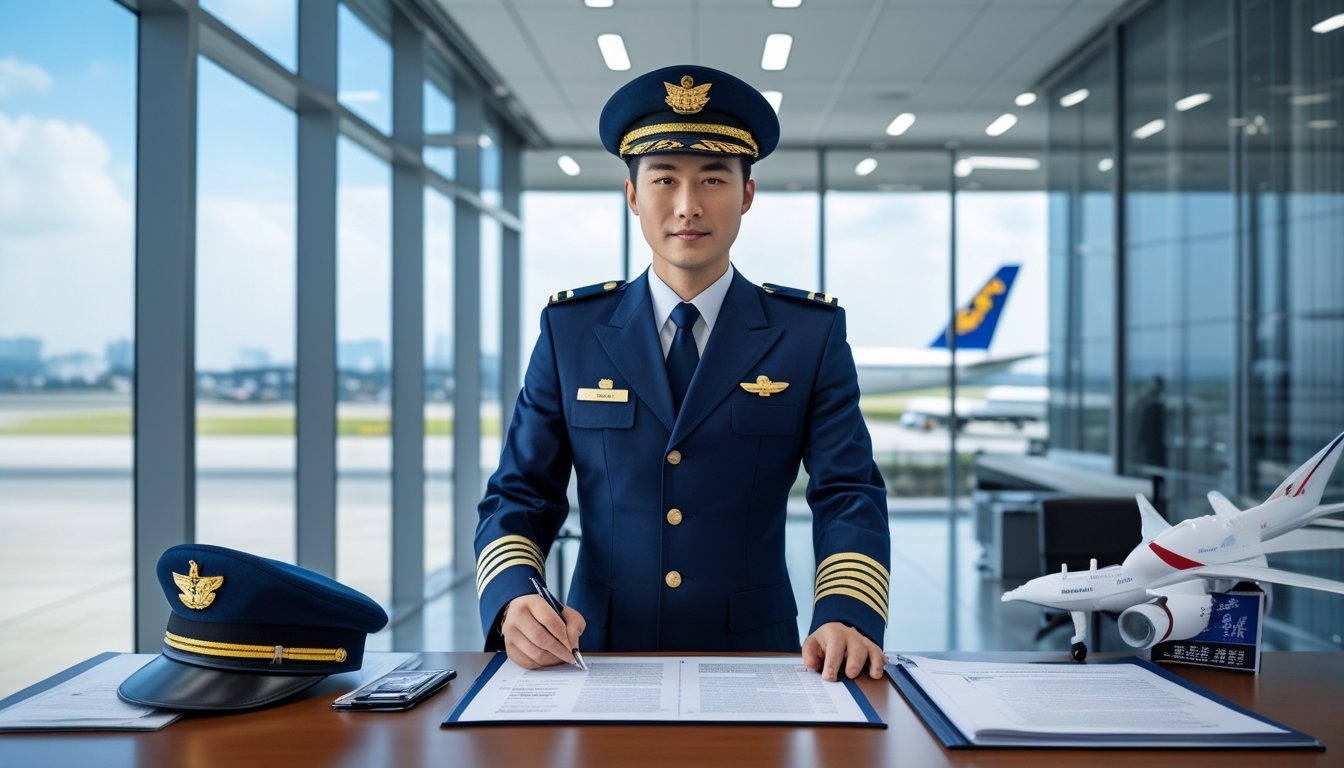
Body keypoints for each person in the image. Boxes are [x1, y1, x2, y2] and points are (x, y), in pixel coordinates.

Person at [475, 64, 890, 681]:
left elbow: (848, 491)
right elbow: (521, 493)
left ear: (747, 194)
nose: (688, 206)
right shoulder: (572, 331)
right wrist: (514, 598)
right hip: (594, 654)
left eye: (714, 179)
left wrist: (848, 614)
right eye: (664, 179)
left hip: (762, 657)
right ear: (633, 195)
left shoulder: (808, 334)